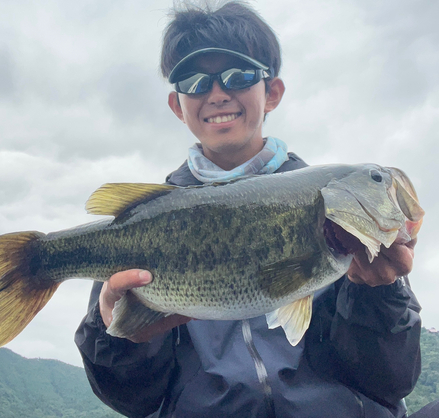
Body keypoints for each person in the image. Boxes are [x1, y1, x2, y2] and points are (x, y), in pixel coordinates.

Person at [75, 2, 426, 417]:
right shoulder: (148, 222)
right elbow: (131, 398)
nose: (217, 93)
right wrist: (115, 331)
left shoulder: (335, 218)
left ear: (272, 92)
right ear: (177, 104)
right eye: (195, 81)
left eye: (238, 76)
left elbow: (390, 380)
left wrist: (379, 294)